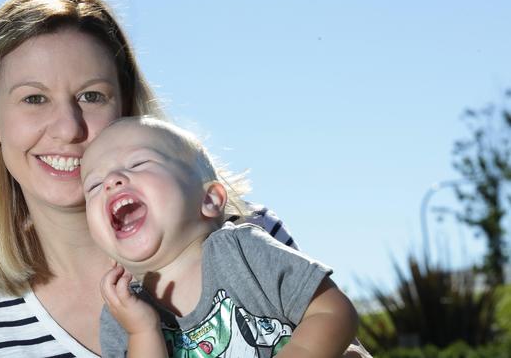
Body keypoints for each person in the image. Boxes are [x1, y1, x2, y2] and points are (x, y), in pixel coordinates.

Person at [0, 0, 371, 356]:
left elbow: (335, 330)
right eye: (34, 99)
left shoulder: (245, 236)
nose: (69, 129)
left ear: (126, 105)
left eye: (92, 96)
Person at [81, 117, 358, 357]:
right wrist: (142, 331)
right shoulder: (121, 316)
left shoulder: (242, 252)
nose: (111, 180)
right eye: (93, 185)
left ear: (210, 199)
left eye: (138, 162)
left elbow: (333, 312)